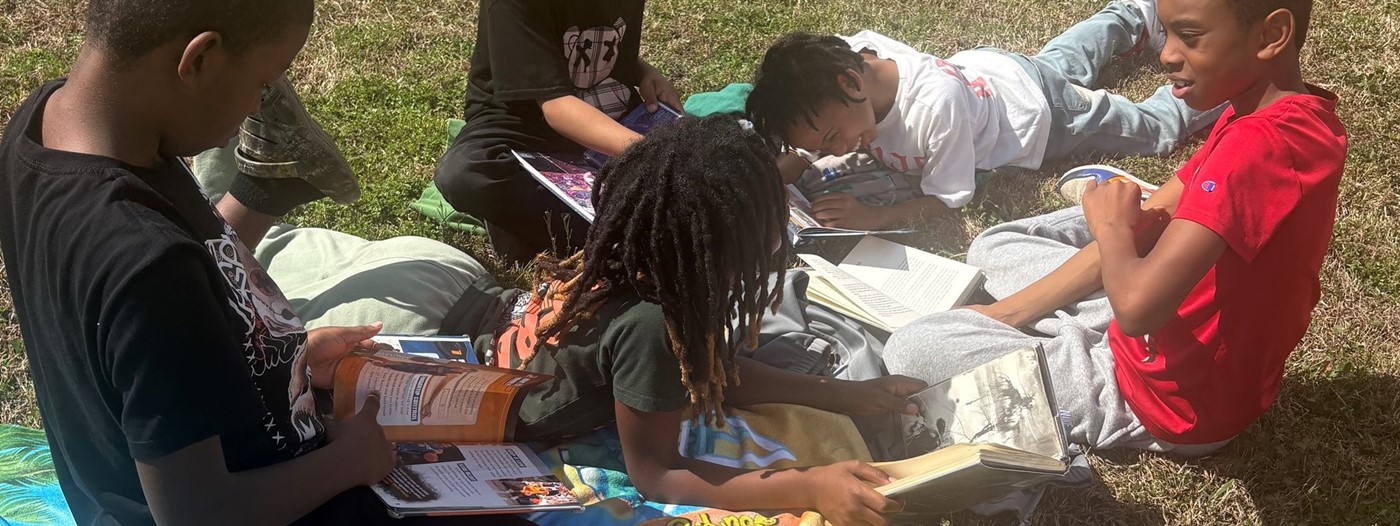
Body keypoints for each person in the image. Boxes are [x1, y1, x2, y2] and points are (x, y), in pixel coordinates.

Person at [0, 0, 529, 524]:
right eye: (262, 81)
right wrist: (348, 461)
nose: (257, 106)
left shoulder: (41, 123)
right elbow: (198, 515)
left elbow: (138, 365)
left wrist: (283, 361)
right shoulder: (149, 265)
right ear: (200, 60)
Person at [880, 0, 1343, 454]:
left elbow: (1138, 311)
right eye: (1166, 34)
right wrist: (1007, 314)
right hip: (1165, 321)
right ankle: (1148, 239)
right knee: (993, 246)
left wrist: (1113, 229)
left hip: (1161, 397)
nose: (1166, 54)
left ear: (1271, 36)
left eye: (1191, 35)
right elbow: (1157, 214)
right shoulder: (1274, 114)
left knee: (913, 346)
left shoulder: (1257, 149)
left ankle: (1117, 261)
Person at [482, 115, 927, 525]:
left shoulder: (649, 264)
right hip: (501, 416)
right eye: (773, 213)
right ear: (728, 244)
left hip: (497, 329)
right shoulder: (651, 326)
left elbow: (705, 370)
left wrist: (849, 396)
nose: (785, 221)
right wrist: (811, 485)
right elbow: (655, 475)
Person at [746, 0, 1222, 231]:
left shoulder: (935, 108)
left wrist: (875, 217)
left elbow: (949, 201)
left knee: (1150, 129)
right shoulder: (845, 61)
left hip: (1043, 118)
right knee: (1060, 62)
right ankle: (1128, 15)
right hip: (997, 72)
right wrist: (787, 165)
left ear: (852, 84)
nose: (832, 152)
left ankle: (1223, 80)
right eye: (819, 147)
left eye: (831, 137)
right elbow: (806, 119)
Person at [432, 0, 683, 264]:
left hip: (604, 116)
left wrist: (641, 70)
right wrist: (654, 153)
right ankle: (631, 238)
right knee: (466, 173)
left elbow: (607, 47)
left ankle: (586, 231)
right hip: (525, 127)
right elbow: (557, 109)